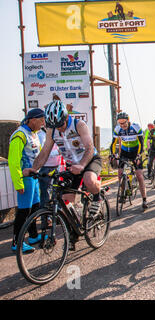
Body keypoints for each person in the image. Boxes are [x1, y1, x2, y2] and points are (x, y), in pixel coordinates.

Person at [23, 100, 103, 250]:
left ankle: (97, 198)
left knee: (89, 179)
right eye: (55, 126)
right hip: (72, 165)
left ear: (66, 117)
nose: (59, 128)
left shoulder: (79, 125)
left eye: (61, 124)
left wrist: (82, 165)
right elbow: (45, 152)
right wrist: (34, 168)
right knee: (65, 200)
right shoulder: (51, 130)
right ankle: (75, 228)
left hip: (89, 159)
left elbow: (90, 148)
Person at [8, 108, 45, 253]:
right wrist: (18, 183)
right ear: (33, 119)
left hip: (34, 177)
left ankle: (33, 236)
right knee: (24, 210)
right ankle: (16, 242)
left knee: (35, 207)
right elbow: (13, 161)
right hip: (25, 178)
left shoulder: (35, 134)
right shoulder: (20, 135)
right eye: (41, 120)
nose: (43, 123)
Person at [110, 112, 148, 209]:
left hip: (135, 152)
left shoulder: (135, 127)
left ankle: (144, 199)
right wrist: (113, 154)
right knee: (120, 173)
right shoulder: (118, 129)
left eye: (124, 123)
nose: (122, 126)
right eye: (120, 123)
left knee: (139, 175)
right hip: (124, 152)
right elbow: (113, 143)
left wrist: (139, 155)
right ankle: (122, 192)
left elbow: (141, 143)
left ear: (128, 120)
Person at [37, 126, 61, 209]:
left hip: (56, 166)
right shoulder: (41, 135)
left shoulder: (55, 134)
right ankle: (45, 218)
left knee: (56, 192)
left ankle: (56, 216)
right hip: (46, 167)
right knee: (45, 193)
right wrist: (57, 152)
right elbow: (42, 153)